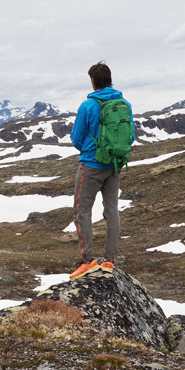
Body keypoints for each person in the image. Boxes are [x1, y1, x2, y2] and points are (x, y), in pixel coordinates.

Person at [69, 61, 135, 279]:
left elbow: (76, 138)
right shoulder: (123, 103)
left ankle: (88, 261)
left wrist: (90, 152)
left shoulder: (87, 106)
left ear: (93, 81)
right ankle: (109, 260)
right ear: (110, 80)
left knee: (82, 211)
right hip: (114, 165)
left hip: (91, 165)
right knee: (112, 211)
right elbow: (130, 136)